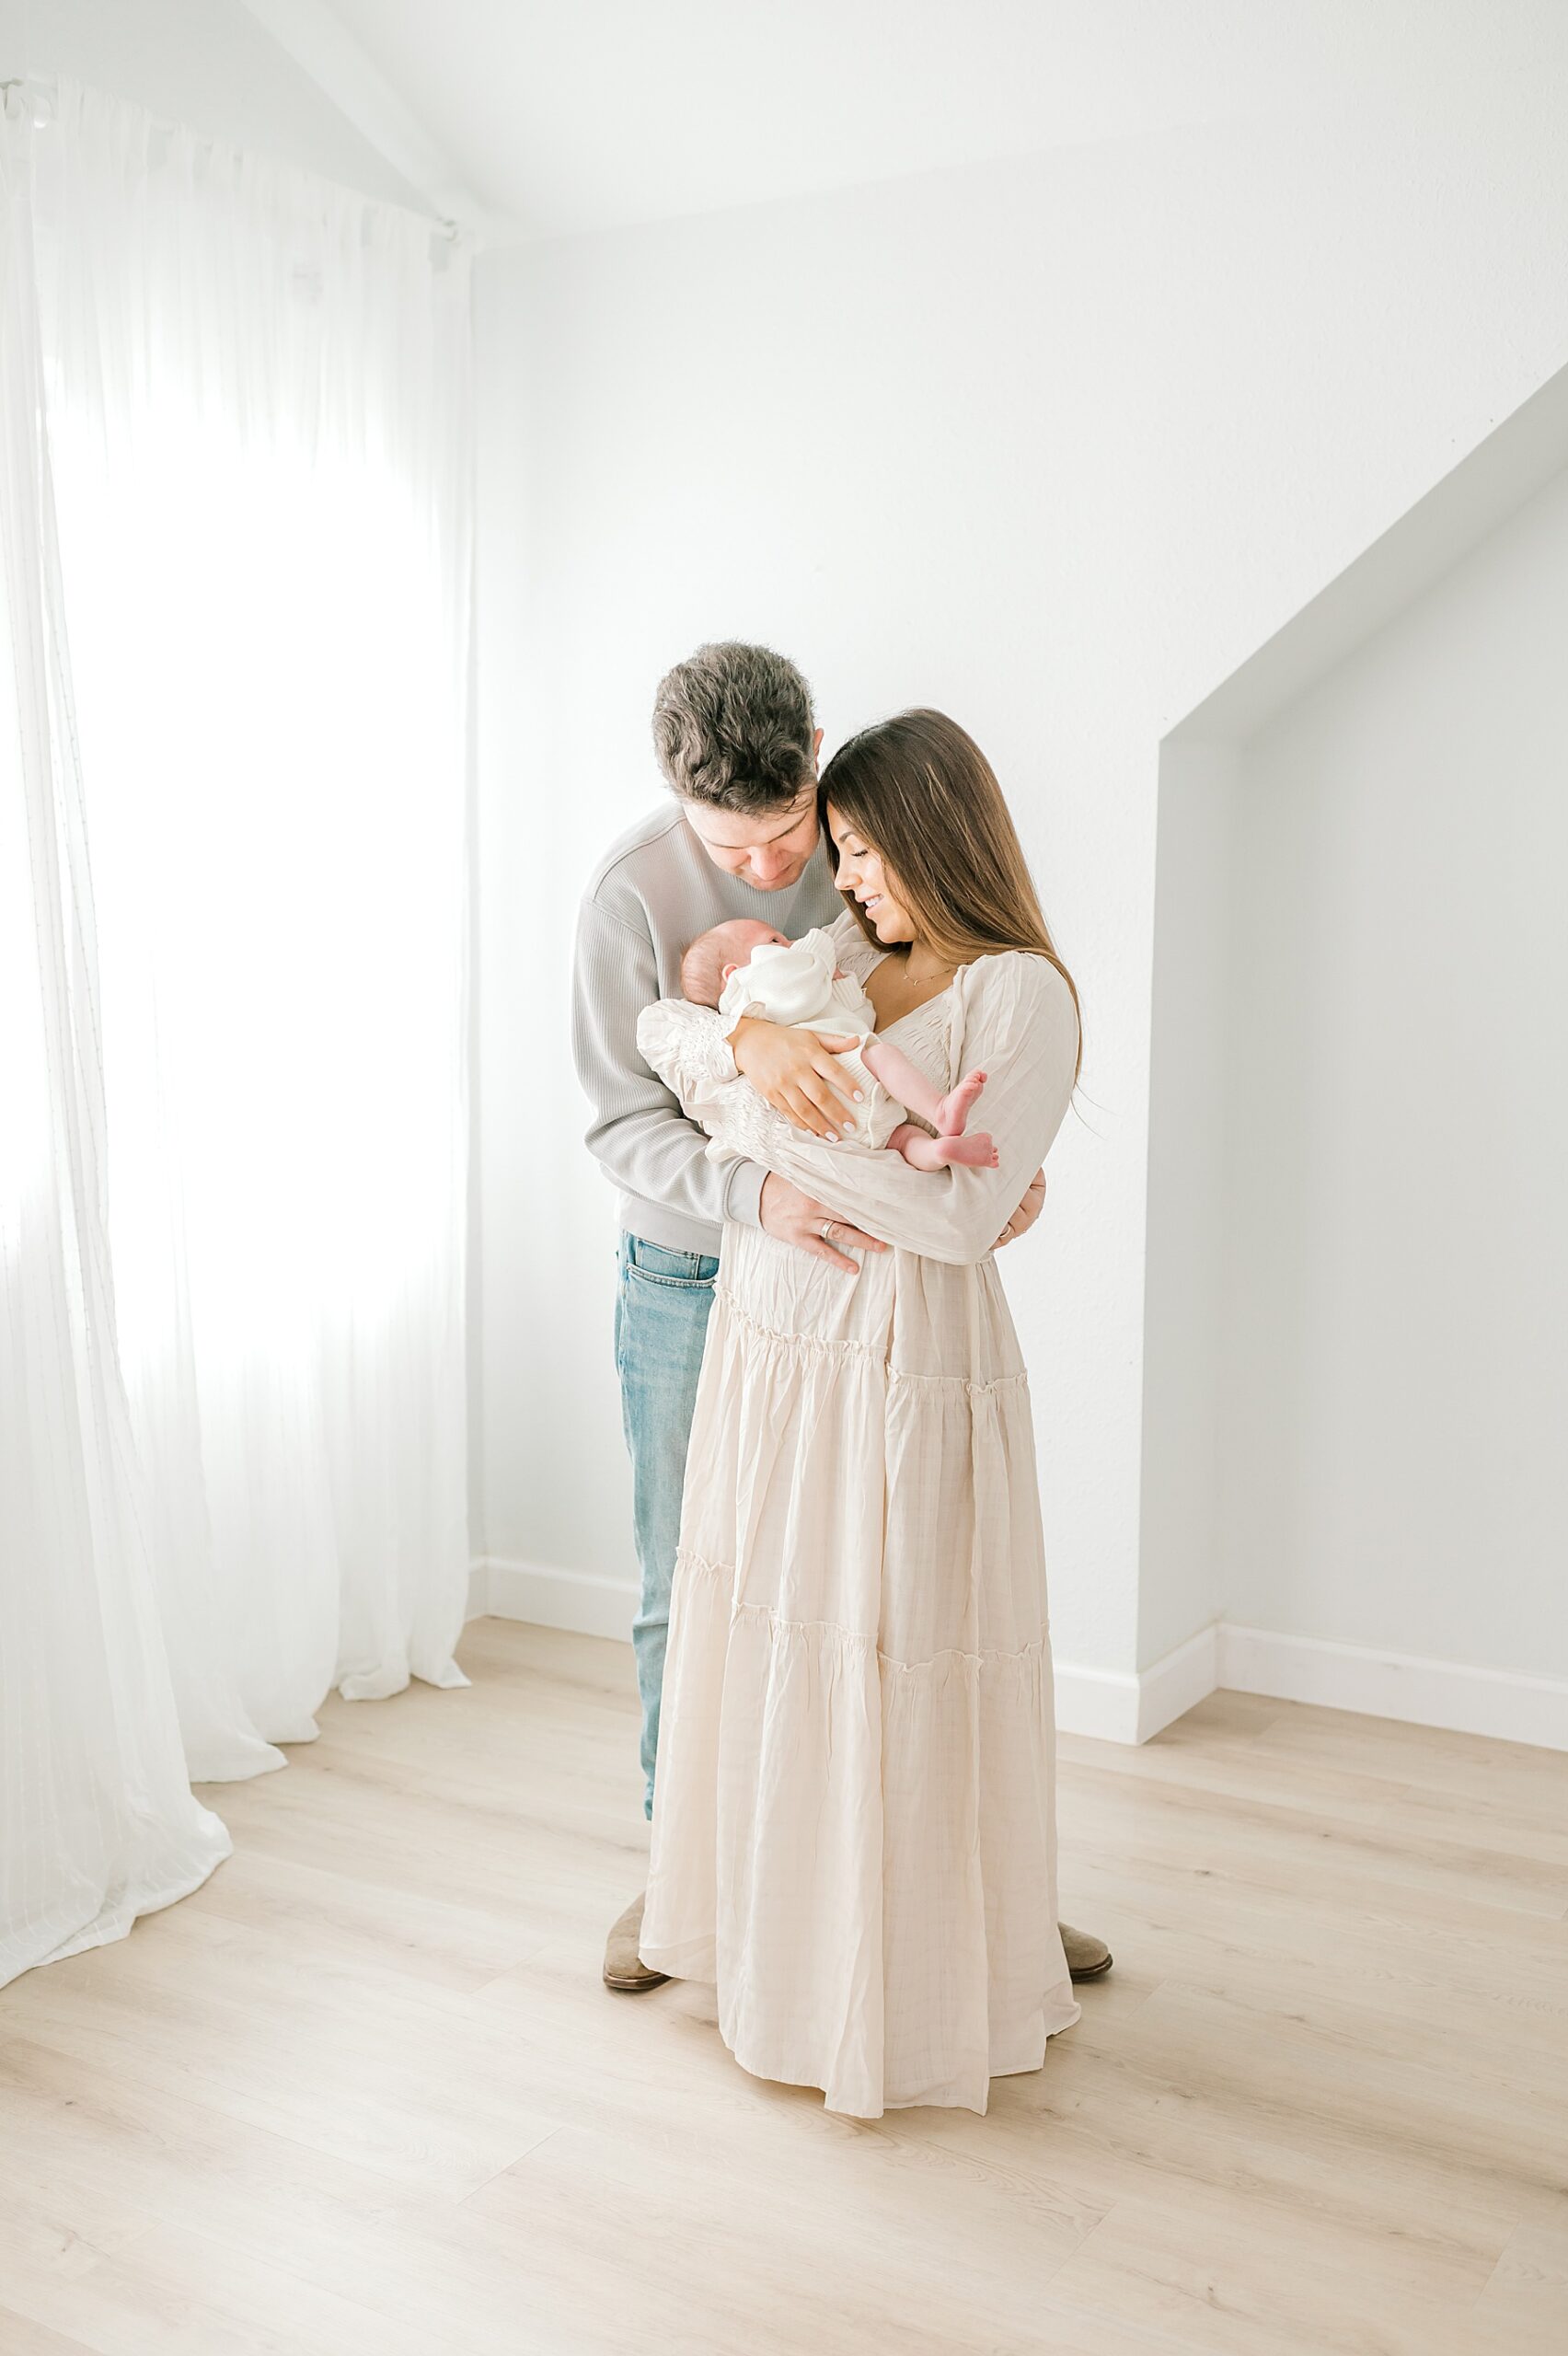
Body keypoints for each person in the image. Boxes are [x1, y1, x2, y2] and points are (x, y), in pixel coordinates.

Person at [569, 644, 1111, 2018]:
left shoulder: (863, 851)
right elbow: (626, 1119)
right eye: (730, 847)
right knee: (692, 1581)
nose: (771, 873)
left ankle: (956, 1891)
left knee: (885, 1592)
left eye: (791, 837)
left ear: (816, 757)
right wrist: (758, 1148)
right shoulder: (628, 896)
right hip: (701, 1268)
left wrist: (985, 1168)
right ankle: (683, 1870)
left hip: (862, 1291)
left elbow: (926, 1018)